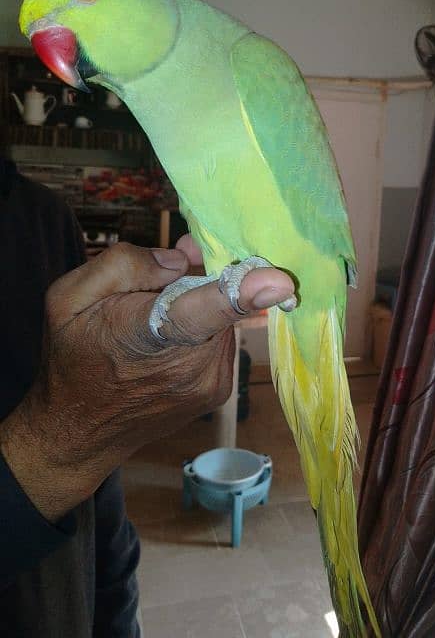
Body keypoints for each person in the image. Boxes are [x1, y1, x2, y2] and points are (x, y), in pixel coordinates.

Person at [0, 155, 294, 637]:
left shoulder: (44, 215)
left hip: (83, 594)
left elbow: (103, 505)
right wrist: (56, 444)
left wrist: (117, 616)